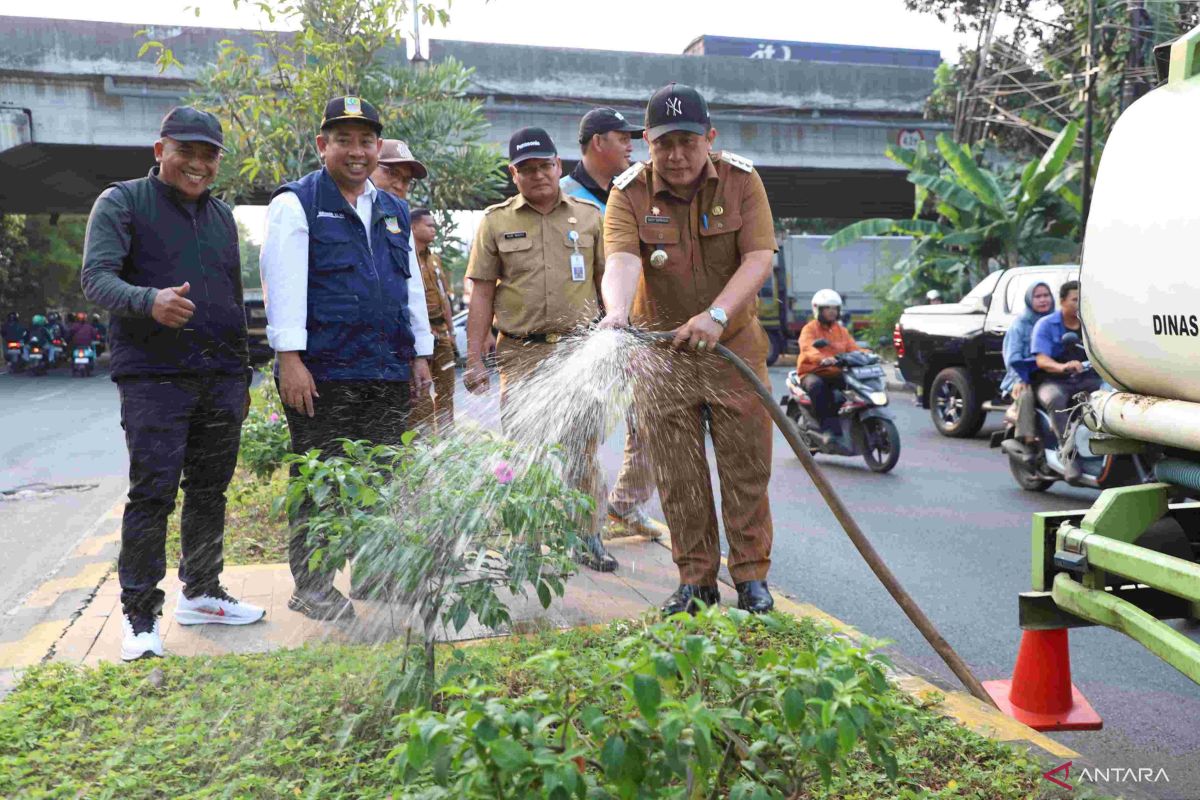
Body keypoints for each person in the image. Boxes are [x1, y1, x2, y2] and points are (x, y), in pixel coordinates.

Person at [81, 105, 264, 662]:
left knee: (210, 492)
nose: (198, 164)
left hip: (219, 378)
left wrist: (242, 373)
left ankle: (202, 592)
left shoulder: (221, 217)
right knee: (152, 494)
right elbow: (95, 280)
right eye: (186, 151)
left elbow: (231, 299)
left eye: (208, 155)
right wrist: (148, 301)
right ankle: (139, 617)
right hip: (154, 378)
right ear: (160, 151)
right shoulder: (123, 203)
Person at [600, 82, 778, 615]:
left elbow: (758, 257)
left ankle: (750, 579)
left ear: (710, 138)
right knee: (679, 476)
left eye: (687, 141)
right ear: (648, 143)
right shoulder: (628, 190)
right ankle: (696, 582)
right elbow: (622, 261)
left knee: (746, 470)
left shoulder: (744, 182)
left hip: (735, 352)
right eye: (663, 144)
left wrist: (718, 315)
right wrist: (616, 313)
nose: (676, 156)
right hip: (663, 357)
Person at [260, 96, 434, 621]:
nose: (356, 152)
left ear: (376, 147)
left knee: (381, 476)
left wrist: (420, 353)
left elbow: (411, 290)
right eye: (344, 140)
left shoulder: (393, 209)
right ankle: (311, 586)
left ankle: (376, 574)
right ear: (323, 146)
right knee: (321, 483)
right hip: (322, 372)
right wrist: (289, 358)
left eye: (365, 141)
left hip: (383, 366)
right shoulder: (297, 203)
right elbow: (282, 283)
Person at [464, 126, 617, 573]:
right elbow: (481, 295)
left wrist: (615, 350)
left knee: (583, 449)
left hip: (579, 352)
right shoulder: (496, 221)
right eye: (526, 169)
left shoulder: (590, 217)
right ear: (514, 174)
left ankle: (588, 536)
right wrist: (475, 359)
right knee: (524, 451)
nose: (537, 175)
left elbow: (608, 285)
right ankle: (526, 543)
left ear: (558, 166)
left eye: (544, 166)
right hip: (522, 354)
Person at [561, 107, 665, 540]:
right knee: (584, 433)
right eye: (622, 137)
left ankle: (627, 502)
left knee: (656, 421)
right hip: (594, 336)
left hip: (639, 331)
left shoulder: (638, 191)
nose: (631, 145)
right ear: (597, 142)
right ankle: (581, 522)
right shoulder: (563, 195)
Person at [1031, 280, 1101, 483]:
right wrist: (1062, 367)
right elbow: (1041, 359)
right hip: (1053, 381)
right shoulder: (1045, 325)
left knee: (1107, 397)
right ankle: (1068, 454)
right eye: (1075, 300)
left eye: (1082, 300)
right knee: (1055, 399)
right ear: (1062, 301)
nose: (1079, 304)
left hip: (1086, 379)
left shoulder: (1090, 324)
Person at [408, 207, 458, 433]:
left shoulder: (434, 260)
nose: (434, 229)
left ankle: (447, 438)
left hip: (442, 333)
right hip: (420, 334)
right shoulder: (405, 255)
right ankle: (425, 441)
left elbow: (444, 297)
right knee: (421, 390)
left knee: (447, 389)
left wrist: (451, 332)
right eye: (429, 225)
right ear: (413, 227)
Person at [795, 289, 859, 445]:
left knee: (855, 384)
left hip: (834, 372)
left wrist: (869, 355)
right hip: (812, 372)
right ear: (818, 310)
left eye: (834, 308)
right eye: (827, 308)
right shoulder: (809, 329)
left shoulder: (841, 330)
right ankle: (828, 429)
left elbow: (853, 348)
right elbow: (807, 348)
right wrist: (821, 359)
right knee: (817, 386)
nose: (831, 312)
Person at [1001, 282, 1054, 445]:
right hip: (1024, 375)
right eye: (1037, 296)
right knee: (1027, 394)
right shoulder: (1020, 324)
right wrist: (1020, 379)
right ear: (1029, 300)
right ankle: (1027, 439)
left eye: (1046, 295)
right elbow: (1012, 358)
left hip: (1052, 372)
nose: (1043, 300)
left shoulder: (1056, 321)